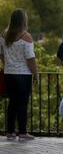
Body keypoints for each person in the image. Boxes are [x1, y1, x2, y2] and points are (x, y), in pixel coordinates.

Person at [0, 9, 38, 141]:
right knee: (22, 103)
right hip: (23, 74)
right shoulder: (26, 36)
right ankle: (22, 131)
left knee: (12, 103)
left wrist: (7, 65)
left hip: (8, 73)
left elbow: (1, 54)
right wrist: (36, 73)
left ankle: (10, 131)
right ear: (23, 21)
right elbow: (30, 58)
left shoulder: (4, 35)